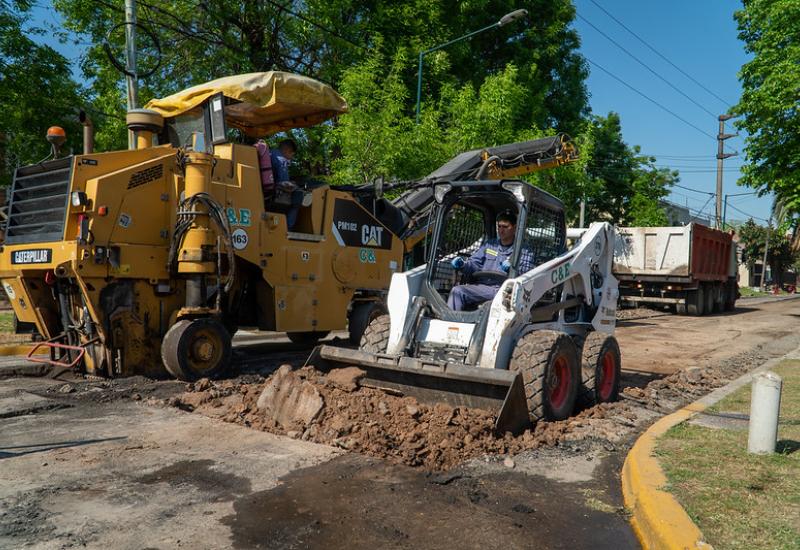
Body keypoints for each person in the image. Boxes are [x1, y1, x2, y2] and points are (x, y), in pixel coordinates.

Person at [447, 210, 534, 311]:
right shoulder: (489, 245)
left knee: (459, 291)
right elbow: (474, 264)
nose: (501, 230)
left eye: (505, 227)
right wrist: (463, 265)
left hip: (506, 291)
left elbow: (527, 274)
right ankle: (452, 323)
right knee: (457, 291)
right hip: (483, 286)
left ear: (514, 228)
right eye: (499, 226)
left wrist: (512, 269)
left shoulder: (523, 250)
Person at [257, 138, 304, 230]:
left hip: (262, 191)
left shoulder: (269, 153)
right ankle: (288, 228)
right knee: (299, 195)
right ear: (287, 150)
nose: (291, 158)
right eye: (292, 154)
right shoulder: (281, 160)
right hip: (274, 194)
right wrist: (295, 185)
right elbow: (285, 184)